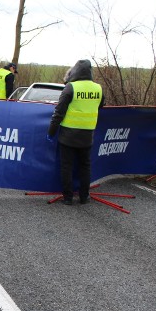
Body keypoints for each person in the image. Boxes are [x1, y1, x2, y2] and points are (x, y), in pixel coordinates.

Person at [47, 59, 105, 205]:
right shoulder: (98, 88)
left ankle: (67, 198)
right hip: (87, 136)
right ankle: (84, 196)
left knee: (67, 166)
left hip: (68, 136)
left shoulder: (71, 87)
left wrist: (51, 132)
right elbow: (100, 106)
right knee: (85, 166)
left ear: (75, 71)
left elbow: (58, 112)